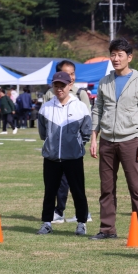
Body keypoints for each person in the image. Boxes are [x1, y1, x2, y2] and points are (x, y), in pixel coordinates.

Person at [89, 38, 138, 241]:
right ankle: (107, 229)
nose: (115, 59)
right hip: (106, 140)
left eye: (120, 55)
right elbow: (97, 109)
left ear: (129, 57)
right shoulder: (104, 81)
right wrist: (93, 137)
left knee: (136, 187)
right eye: (113, 54)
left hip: (130, 139)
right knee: (106, 188)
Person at [35, 71, 91, 237]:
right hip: (51, 158)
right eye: (56, 85)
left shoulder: (80, 107)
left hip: (73, 157)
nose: (59, 89)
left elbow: (86, 132)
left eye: (62, 85)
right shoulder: (46, 107)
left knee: (78, 191)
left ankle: (82, 223)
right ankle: (46, 222)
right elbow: (43, 133)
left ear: (70, 86)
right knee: (49, 192)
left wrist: (77, 146)